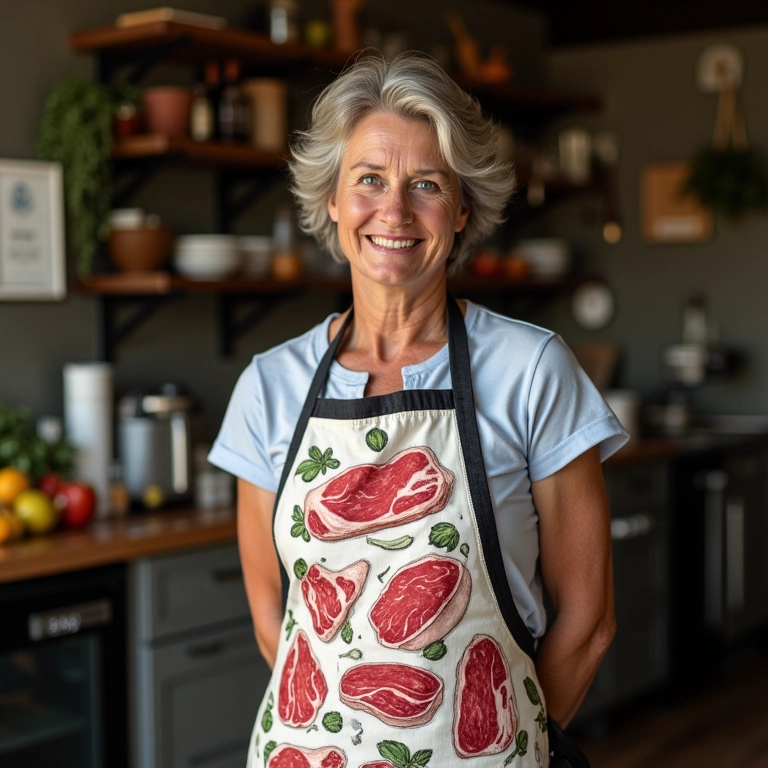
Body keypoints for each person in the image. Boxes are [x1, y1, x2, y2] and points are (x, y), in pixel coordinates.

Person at [209, 51, 628, 768]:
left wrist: (504, 744)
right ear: (333, 200)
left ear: (461, 209)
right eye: (369, 179)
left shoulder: (530, 371)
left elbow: (588, 624)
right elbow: (275, 622)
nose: (395, 211)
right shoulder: (269, 386)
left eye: (426, 184)